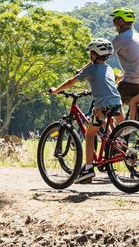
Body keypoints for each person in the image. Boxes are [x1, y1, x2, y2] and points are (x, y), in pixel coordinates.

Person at [50, 38, 124, 183]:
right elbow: (109, 82)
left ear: (95, 54)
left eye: (91, 53)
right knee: (105, 125)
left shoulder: (91, 70)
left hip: (103, 105)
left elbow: (72, 81)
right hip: (117, 103)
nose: (90, 55)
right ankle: (116, 145)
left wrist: (56, 90)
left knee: (90, 136)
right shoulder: (108, 68)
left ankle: (89, 169)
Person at [110, 7, 139, 113]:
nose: (113, 23)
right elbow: (138, 64)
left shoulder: (121, 38)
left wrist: (81, 71)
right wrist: (121, 76)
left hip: (132, 83)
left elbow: (101, 55)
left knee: (108, 101)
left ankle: (120, 128)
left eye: (115, 20)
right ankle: (126, 126)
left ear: (121, 21)